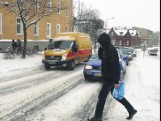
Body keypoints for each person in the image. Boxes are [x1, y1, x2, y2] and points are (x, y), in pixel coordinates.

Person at [88, 33, 137, 121]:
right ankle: (131, 110)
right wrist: (100, 48)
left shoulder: (111, 50)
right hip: (108, 77)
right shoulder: (105, 49)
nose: (100, 44)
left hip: (110, 78)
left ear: (104, 41)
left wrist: (116, 81)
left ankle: (98, 117)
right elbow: (100, 57)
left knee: (102, 96)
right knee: (116, 95)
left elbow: (116, 66)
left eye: (101, 43)